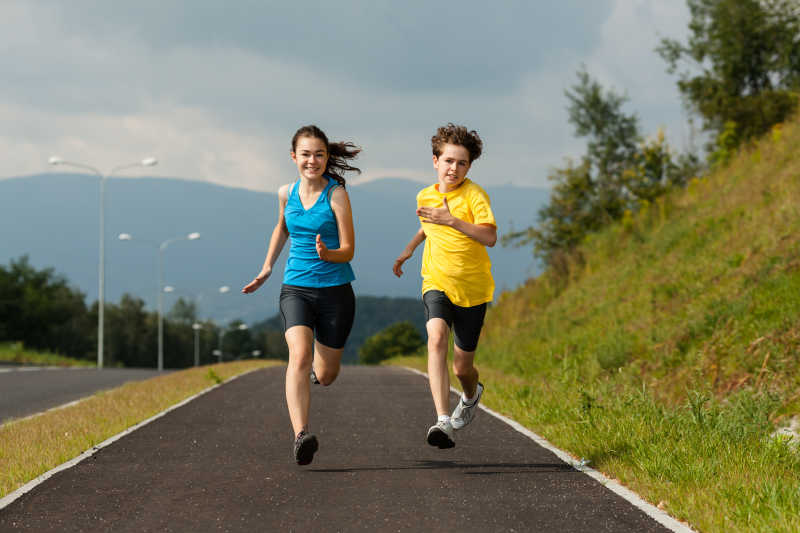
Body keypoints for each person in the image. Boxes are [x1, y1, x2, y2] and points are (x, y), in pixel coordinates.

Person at [242, 125, 360, 465]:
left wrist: (330, 254)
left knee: (326, 374)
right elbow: (281, 227)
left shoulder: (336, 194)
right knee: (299, 356)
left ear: (326, 158)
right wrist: (266, 268)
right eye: (306, 154)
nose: (313, 160)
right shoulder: (285, 192)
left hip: (336, 291)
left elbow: (349, 249)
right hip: (296, 288)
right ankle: (301, 434)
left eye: (319, 154)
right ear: (294, 157)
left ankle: (313, 376)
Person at [393, 123, 496, 449]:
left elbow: (490, 237)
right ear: (435, 161)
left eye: (462, 163)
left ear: (469, 166)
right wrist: (409, 249)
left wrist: (453, 220)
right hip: (436, 281)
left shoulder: (475, 196)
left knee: (462, 367)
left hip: (473, 290)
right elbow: (427, 226)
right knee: (436, 337)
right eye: (448, 160)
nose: (454, 168)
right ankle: (442, 420)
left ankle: (470, 394)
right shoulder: (425, 195)